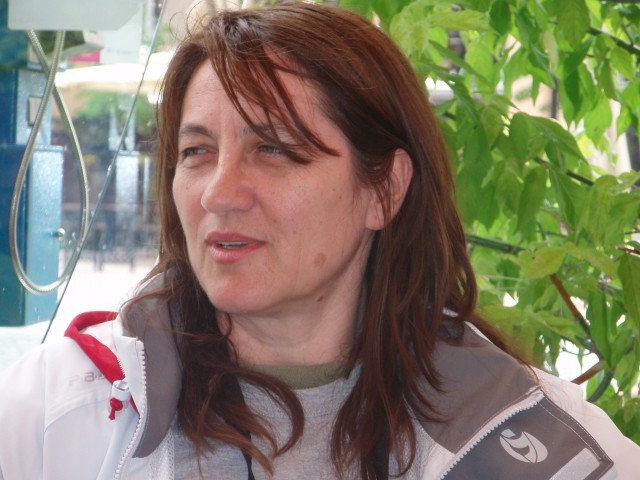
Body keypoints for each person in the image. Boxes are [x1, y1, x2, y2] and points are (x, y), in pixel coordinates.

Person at [0, 3, 638, 479]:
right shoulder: (59, 413)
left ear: (383, 190)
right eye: (196, 151)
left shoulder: (540, 442)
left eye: (274, 149)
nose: (218, 194)